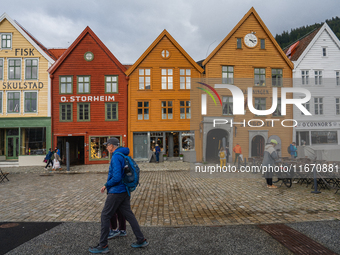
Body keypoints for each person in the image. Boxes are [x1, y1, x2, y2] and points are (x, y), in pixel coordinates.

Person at [89, 138, 148, 254]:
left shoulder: (116, 157)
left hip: (117, 191)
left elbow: (116, 177)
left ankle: (103, 245)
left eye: (107, 146)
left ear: (112, 146)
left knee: (105, 215)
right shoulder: (122, 155)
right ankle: (141, 239)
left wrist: (106, 185)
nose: (106, 147)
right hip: (125, 190)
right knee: (129, 215)